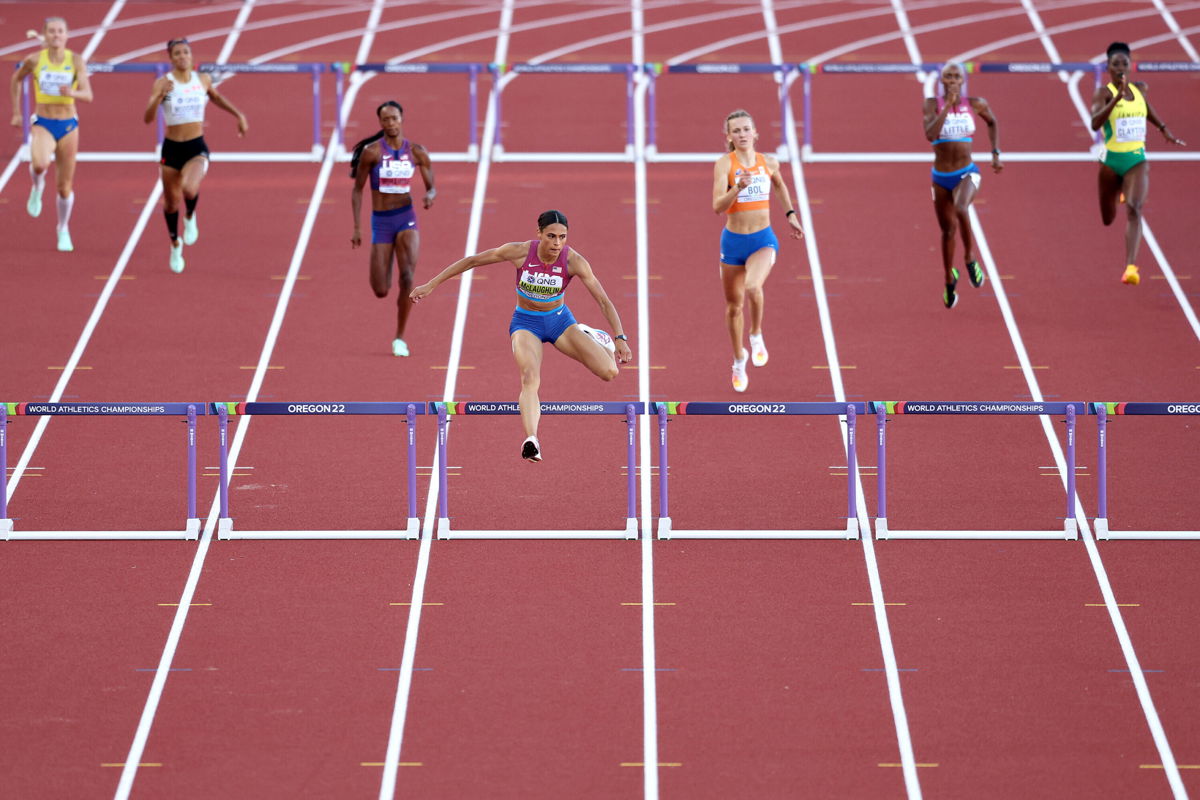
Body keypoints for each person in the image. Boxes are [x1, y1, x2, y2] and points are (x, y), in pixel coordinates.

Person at [410, 210, 632, 462]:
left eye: (563, 237)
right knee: (529, 377)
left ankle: (593, 335)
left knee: (609, 372)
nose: (557, 243)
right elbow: (471, 261)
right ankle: (532, 440)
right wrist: (431, 284)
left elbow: (603, 300)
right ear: (538, 233)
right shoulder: (518, 252)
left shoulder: (574, 261)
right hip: (526, 323)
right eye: (551, 236)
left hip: (560, 322)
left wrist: (620, 336)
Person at [712, 109, 803, 393]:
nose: (742, 134)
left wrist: (790, 214)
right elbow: (718, 206)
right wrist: (737, 188)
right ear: (729, 136)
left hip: (763, 239)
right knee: (733, 306)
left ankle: (756, 334)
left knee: (753, 287)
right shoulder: (724, 164)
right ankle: (739, 358)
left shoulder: (768, 162)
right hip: (733, 243)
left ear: (755, 133)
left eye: (746, 129)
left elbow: (780, 185)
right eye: (736, 130)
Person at [144, 38, 248, 274]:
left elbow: (216, 97)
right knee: (170, 203)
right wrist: (159, 97)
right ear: (171, 58)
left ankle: (190, 216)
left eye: (186, 52)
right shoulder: (162, 83)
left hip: (195, 147)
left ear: (192, 56)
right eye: (177, 53)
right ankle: (174, 244)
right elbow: (148, 118)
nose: (182, 56)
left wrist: (239, 115)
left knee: (189, 189)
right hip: (171, 149)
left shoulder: (202, 79)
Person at [1090, 41, 1186, 286]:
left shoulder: (1140, 90)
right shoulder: (1103, 93)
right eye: (1115, 64)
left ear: (1130, 65)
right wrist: (1116, 98)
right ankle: (1119, 189)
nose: (1121, 67)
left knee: (1134, 209)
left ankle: (1130, 267)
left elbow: (1146, 108)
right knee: (1108, 218)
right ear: (1108, 67)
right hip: (1111, 161)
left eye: (1124, 63)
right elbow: (1094, 123)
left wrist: (1163, 129)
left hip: (1136, 159)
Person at [350, 101, 435, 357]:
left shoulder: (417, 152)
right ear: (380, 123)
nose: (390, 123)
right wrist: (357, 227)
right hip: (381, 222)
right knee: (381, 289)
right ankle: (385, 262)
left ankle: (400, 337)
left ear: (402, 119)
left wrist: (430, 194)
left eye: (394, 118)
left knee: (408, 276)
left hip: (406, 217)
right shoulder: (371, 153)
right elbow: (357, 190)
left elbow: (431, 183)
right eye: (385, 119)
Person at [9, 17, 94, 252]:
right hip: (43, 122)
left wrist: (72, 93)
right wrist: (17, 113)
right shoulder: (35, 60)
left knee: (64, 187)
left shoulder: (75, 61)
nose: (56, 35)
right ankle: (37, 188)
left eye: (60, 31)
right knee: (39, 164)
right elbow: (16, 79)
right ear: (45, 35)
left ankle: (63, 228)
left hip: (68, 125)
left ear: (67, 35)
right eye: (52, 31)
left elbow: (88, 95)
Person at [923, 62, 1001, 309]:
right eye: (949, 76)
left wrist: (995, 152)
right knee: (947, 232)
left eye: (957, 76)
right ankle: (949, 280)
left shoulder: (976, 103)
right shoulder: (931, 104)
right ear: (942, 81)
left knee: (961, 209)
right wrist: (947, 106)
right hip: (940, 177)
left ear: (963, 80)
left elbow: (992, 122)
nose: (954, 79)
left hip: (967, 172)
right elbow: (930, 135)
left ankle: (969, 257)